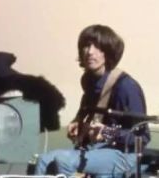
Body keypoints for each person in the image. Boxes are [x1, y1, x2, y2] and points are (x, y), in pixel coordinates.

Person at [34, 25, 149, 177]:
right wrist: (78, 124)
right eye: (86, 46)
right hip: (96, 148)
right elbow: (86, 113)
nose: (90, 51)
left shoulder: (126, 87)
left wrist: (107, 132)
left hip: (123, 154)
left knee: (64, 161)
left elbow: (143, 137)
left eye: (98, 47)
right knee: (43, 160)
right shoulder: (89, 81)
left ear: (108, 52)